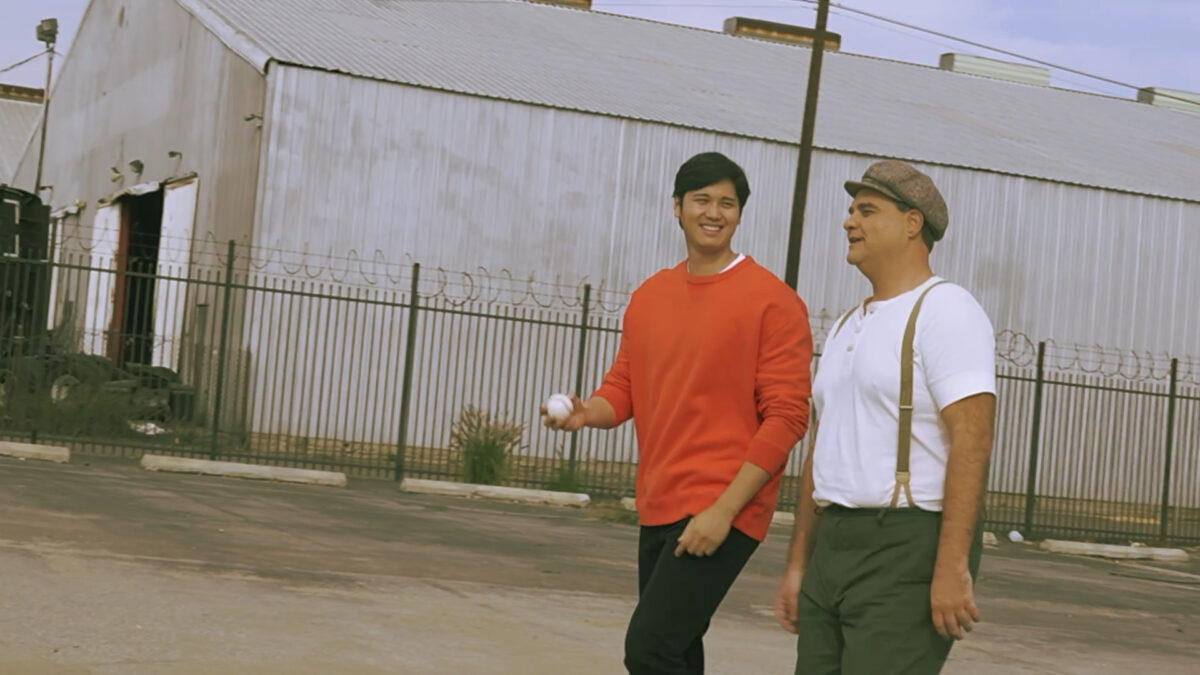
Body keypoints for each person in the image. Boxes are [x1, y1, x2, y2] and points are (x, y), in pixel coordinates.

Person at [543, 151, 813, 674]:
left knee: (649, 648)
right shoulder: (651, 296)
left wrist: (724, 511)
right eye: (701, 200)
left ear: (740, 214)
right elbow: (623, 388)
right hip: (659, 500)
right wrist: (584, 413)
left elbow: (787, 418)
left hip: (724, 505)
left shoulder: (773, 302)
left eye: (726, 203)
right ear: (677, 207)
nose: (713, 212)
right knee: (678, 650)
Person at [774, 159, 997, 675]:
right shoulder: (846, 324)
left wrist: (951, 566)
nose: (849, 221)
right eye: (851, 211)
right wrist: (798, 565)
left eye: (867, 211)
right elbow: (821, 451)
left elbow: (972, 439)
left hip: (905, 543)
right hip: (834, 543)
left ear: (912, 223)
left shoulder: (947, 309)